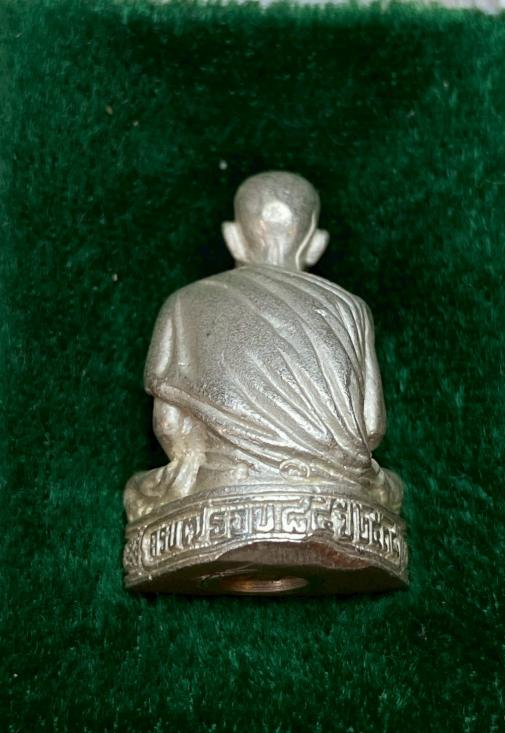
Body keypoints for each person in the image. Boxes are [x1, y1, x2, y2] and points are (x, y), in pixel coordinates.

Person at [124, 172, 403, 522]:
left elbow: (168, 425)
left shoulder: (183, 303)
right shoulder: (351, 309)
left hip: (223, 485)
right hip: (338, 497)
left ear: (233, 238)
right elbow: (372, 428)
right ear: (316, 244)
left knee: (141, 492)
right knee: (391, 490)